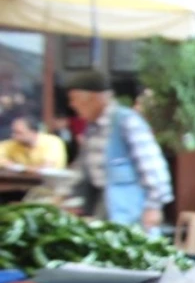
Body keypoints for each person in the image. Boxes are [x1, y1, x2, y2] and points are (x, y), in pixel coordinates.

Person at [66, 70, 173, 232]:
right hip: (102, 203)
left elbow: (152, 165)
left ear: (96, 98)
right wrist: (68, 195)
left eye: (75, 99)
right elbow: (82, 167)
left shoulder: (126, 122)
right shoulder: (92, 127)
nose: (72, 105)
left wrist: (154, 205)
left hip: (129, 209)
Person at [0, 112, 68, 169]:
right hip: (22, 182)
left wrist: (17, 167)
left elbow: (46, 168)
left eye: (19, 133)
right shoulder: (13, 143)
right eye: (13, 132)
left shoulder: (53, 142)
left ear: (33, 132)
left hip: (49, 183)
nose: (14, 136)